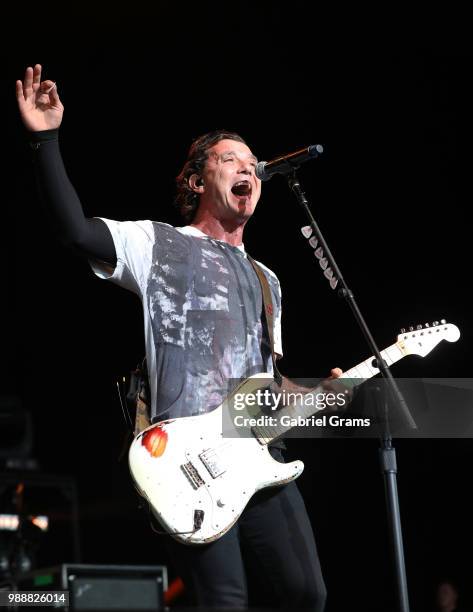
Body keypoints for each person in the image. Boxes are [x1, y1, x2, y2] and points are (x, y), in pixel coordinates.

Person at [16, 64, 344, 611]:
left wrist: (316, 395)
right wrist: (45, 140)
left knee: (306, 593)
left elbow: (265, 378)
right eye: (230, 159)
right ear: (197, 181)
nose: (248, 168)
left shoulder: (269, 281)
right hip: (189, 461)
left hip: (257, 453)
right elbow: (74, 229)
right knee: (225, 599)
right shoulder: (160, 245)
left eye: (252, 162)